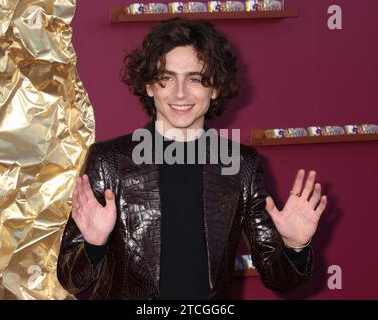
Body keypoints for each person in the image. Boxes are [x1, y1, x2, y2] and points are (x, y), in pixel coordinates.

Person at [57, 17, 327, 300]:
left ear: (216, 88)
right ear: (150, 86)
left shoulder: (240, 165)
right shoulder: (110, 161)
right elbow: (70, 279)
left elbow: (278, 278)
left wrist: (295, 245)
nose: (180, 93)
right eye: (166, 78)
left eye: (195, 79)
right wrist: (94, 245)